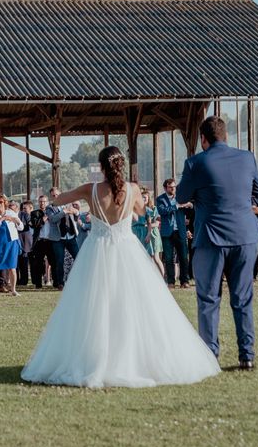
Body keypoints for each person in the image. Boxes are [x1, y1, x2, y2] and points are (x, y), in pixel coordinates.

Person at [21, 146, 220, 387]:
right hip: (127, 251)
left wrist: (69, 202)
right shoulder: (134, 189)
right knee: (134, 304)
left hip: (96, 252)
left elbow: (58, 199)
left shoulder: (90, 189)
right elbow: (141, 211)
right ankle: (134, 357)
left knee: (93, 306)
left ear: (102, 167)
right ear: (120, 166)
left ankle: (94, 357)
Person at [177, 116, 258, 370]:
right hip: (245, 236)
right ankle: (246, 355)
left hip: (211, 238)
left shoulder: (195, 162)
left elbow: (181, 196)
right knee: (243, 298)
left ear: (203, 139)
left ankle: (210, 356)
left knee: (208, 299)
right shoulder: (247, 157)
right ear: (225, 136)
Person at [157, 178, 192, 289]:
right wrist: (176, 206)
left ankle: (184, 281)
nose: (173, 189)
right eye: (170, 187)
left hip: (180, 231)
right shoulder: (160, 199)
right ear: (165, 188)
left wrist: (190, 205)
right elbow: (162, 211)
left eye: (174, 187)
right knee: (168, 258)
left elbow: (190, 208)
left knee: (183, 257)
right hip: (167, 232)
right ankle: (171, 282)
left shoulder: (181, 197)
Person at [46, 187, 80, 290]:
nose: (55, 197)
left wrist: (76, 212)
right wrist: (64, 212)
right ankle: (60, 283)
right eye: (53, 195)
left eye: (57, 194)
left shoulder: (69, 204)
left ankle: (80, 280)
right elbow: (53, 219)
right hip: (58, 238)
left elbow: (76, 217)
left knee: (79, 258)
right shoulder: (50, 208)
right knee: (59, 261)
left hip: (70, 236)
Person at [0, 194, 23, 297]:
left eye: (1, 202)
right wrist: (1, 219)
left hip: (11, 243)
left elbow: (21, 227)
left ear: (5, 203)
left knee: (12, 268)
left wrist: (13, 219)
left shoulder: (11, 213)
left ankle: (13, 290)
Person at [29, 195, 56, 289]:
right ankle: (38, 284)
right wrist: (43, 220)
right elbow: (35, 224)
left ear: (47, 202)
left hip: (50, 241)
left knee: (53, 262)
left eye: (44, 201)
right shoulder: (34, 213)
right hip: (39, 241)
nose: (42, 203)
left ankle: (56, 282)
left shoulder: (52, 212)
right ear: (38, 202)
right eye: (40, 201)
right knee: (38, 263)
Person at [16, 200, 33, 286]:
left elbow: (30, 223)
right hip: (15, 241)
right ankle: (15, 280)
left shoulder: (24, 215)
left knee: (24, 262)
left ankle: (24, 281)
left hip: (25, 241)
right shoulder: (10, 215)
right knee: (15, 263)